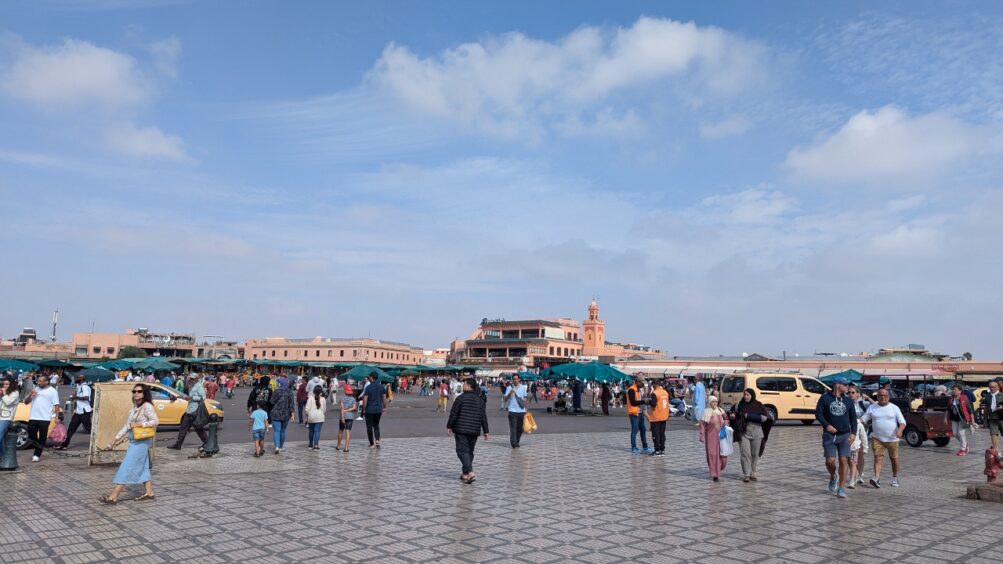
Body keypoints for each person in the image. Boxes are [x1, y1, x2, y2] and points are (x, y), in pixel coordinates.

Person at [99, 384, 158, 503]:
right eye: (134, 391)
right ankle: (149, 492)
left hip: (142, 442)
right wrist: (114, 440)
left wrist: (140, 424)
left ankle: (113, 496)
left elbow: (155, 421)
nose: (136, 393)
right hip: (133, 441)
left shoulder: (147, 406)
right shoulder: (134, 408)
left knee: (127, 466)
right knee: (144, 467)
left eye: (139, 391)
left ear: (144, 393)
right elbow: (127, 426)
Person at [816, 376, 857, 498]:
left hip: (845, 435)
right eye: (845, 385)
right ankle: (833, 476)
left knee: (844, 460)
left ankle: (841, 488)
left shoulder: (848, 401)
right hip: (829, 436)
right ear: (837, 385)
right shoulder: (825, 398)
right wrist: (827, 425)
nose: (847, 387)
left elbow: (853, 418)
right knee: (830, 461)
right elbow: (818, 414)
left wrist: (853, 433)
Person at [447, 377, 490, 484]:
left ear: (469, 386)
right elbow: (483, 416)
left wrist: (449, 426)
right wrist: (486, 431)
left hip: (461, 429)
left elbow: (454, 414)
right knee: (469, 451)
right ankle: (465, 474)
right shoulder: (480, 400)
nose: (463, 385)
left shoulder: (460, 398)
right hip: (474, 430)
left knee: (462, 451)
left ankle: (470, 471)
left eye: (465, 384)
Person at [862, 388, 907, 488]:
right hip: (877, 438)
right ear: (877, 397)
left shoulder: (894, 408)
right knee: (878, 458)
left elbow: (902, 422)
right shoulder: (872, 407)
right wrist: (856, 422)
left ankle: (895, 478)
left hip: (892, 439)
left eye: (885, 395)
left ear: (888, 397)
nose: (883, 397)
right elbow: (864, 418)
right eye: (880, 395)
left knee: (894, 459)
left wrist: (900, 431)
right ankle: (876, 478)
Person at [731, 388, 772, 483]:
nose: (746, 397)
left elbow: (764, 418)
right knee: (745, 454)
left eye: (748, 395)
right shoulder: (739, 405)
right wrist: (733, 416)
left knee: (754, 454)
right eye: (744, 395)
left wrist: (748, 416)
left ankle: (752, 472)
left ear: (752, 395)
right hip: (743, 432)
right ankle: (747, 474)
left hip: (757, 432)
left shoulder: (758, 405)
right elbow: (735, 414)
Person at [24, 373, 62, 462]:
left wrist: (57, 416)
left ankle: (37, 454)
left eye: (41, 381)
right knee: (31, 436)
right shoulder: (35, 389)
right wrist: (31, 395)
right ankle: (39, 446)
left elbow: (56, 405)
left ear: (46, 381)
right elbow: (26, 402)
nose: (39, 382)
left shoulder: (52, 391)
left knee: (43, 437)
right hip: (33, 417)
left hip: (45, 418)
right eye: (38, 381)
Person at [167, 374, 208, 450]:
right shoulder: (193, 385)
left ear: (195, 379)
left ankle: (207, 442)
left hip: (194, 410)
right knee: (191, 427)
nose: (190, 380)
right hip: (190, 410)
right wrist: (183, 396)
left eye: (191, 379)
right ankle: (179, 444)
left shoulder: (199, 386)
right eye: (190, 379)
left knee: (192, 428)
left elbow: (203, 397)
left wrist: (191, 397)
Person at [57, 372, 93, 450]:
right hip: (78, 412)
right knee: (71, 428)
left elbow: (87, 397)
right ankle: (64, 445)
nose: (75, 379)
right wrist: (74, 397)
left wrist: (76, 397)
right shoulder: (79, 386)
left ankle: (97, 443)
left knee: (89, 429)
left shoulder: (85, 387)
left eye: (77, 378)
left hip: (84, 412)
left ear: (81, 379)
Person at [699, 396, 728, 481]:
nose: (714, 403)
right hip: (711, 438)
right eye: (712, 402)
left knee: (722, 455)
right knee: (712, 455)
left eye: (716, 402)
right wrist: (702, 436)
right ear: (709, 403)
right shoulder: (706, 412)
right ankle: (715, 474)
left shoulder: (721, 411)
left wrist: (725, 425)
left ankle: (719, 468)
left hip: (721, 437)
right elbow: (702, 426)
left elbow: (726, 419)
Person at [847, 386, 869, 488]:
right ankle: (855, 474)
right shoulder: (847, 403)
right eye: (849, 393)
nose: (850, 394)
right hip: (851, 429)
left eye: (852, 392)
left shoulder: (862, 403)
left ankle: (859, 474)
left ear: (858, 394)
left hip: (862, 428)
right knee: (854, 454)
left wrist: (868, 398)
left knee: (861, 453)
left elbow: (876, 406)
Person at [946, 383, 977, 455]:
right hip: (954, 418)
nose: (954, 391)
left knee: (961, 433)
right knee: (955, 433)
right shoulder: (951, 398)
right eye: (953, 389)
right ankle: (965, 444)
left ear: (960, 391)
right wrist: (946, 417)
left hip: (963, 418)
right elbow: (948, 409)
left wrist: (972, 421)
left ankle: (963, 449)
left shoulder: (964, 398)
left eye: (955, 390)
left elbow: (970, 410)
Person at [360, 373, 387, 449]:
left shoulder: (368, 387)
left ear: (371, 378)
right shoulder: (382, 387)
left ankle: (372, 444)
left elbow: (365, 399)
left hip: (369, 410)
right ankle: (377, 440)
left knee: (369, 427)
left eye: (369, 377)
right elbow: (384, 399)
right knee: (376, 425)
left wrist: (364, 409)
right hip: (378, 410)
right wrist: (384, 408)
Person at [626, 375, 651, 454]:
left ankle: (645, 447)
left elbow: (639, 399)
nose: (642, 385)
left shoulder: (638, 389)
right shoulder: (631, 390)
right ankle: (633, 447)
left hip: (639, 412)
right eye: (641, 383)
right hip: (634, 413)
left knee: (643, 429)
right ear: (638, 382)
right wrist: (644, 401)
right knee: (635, 430)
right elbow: (633, 402)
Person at [269, 378, 294, 454]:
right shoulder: (290, 392)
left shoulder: (277, 391)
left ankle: (276, 447)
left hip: (276, 413)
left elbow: (272, 401)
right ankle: (281, 446)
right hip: (286, 414)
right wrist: (292, 414)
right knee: (283, 431)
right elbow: (291, 405)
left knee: (277, 431)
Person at [646, 379, 669, 456]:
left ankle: (657, 450)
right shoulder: (665, 392)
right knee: (662, 433)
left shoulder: (655, 393)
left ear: (655, 385)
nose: (652, 386)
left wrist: (648, 401)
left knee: (655, 434)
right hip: (664, 416)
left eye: (652, 385)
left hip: (656, 416)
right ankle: (662, 450)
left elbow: (653, 404)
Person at [504, 373, 528, 449]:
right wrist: (510, 393)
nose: (515, 380)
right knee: (513, 428)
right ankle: (513, 443)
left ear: (519, 379)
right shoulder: (509, 388)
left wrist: (526, 407)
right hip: (512, 410)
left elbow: (525, 398)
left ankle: (517, 441)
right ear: (512, 380)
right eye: (514, 379)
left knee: (520, 428)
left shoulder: (523, 387)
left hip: (521, 411)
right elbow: (505, 399)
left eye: (516, 379)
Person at [0, 376, 20, 461]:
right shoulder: (4, 392)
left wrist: (4, 393)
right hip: (1, 416)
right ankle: (3, 456)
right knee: (1, 438)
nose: (5, 386)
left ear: (11, 384)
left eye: (7, 384)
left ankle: (3, 456)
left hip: (7, 417)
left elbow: (8, 402)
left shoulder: (15, 393)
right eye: (4, 384)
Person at [983, 381, 1003, 451]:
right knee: (993, 434)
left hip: (1001, 418)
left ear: (997, 387)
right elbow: (986, 408)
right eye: (990, 387)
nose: (992, 388)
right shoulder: (987, 396)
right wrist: (985, 419)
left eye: (994, 387)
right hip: (992, 418)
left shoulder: (1002, 395)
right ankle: (996, 451)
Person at [337, 382, 356, 452]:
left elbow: (342, 408)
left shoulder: (342, 398)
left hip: (343, 416)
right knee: (348, 432)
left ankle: (338, 446)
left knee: (340, 431)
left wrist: (342, 417)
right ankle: (346, 448)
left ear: (345, 391)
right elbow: (354, 408)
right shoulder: (353, 399)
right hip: (350, 417)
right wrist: (348, 410)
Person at [305, 385, 326, 450]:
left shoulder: (310, 398)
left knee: (311, 431)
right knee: (317, 431)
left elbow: (306, 409)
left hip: (311, 417)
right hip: (320, 417)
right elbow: (324, 409)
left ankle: (310, 444)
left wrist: (307, 415)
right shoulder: (323, 399)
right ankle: (316, 445)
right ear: (321, 392)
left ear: (313, 391)